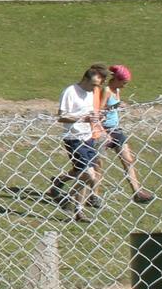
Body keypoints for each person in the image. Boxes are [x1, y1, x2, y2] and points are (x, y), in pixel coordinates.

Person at [49, 64, 109, 220]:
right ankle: (67, 197)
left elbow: (90, 113)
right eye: (94, 85)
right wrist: (83, 118)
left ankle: (78, 210)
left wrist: (97, 117)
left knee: (87, 174)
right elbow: (61, 116)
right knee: (88, 174)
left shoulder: (90, 93)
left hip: (88, 137)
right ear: (86, 79)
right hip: (73, 138)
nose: (95, 89)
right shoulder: (70, 92)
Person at [96, 65, 152, 204]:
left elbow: (114, 106)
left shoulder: (117, 90)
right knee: (97, 165)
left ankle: (137, 192)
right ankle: (93, 195)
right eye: (124, 82)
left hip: (116, 129)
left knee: (128, 160)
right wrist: (114, 107)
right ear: (116, 79)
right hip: (103, 130)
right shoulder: (106, 90)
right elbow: (100, 110)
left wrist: (120, 105)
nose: (125, 86)